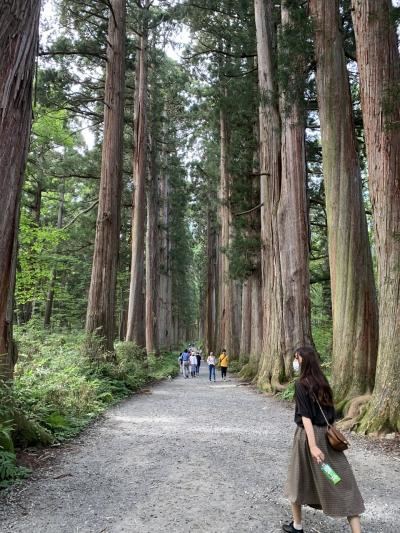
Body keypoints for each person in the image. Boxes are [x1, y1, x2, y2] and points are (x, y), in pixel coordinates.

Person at [283, 346, 364, 533]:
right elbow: (332, 414)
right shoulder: (323, 382)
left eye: (297, 358)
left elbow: (306, 417)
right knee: (342, 481)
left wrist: (312, 445)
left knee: (297, 479)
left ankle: (298, 526)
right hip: (327, 435)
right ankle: (356, 530)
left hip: (307, 438)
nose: (295, 361)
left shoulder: (301, 384)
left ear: (304, 361)